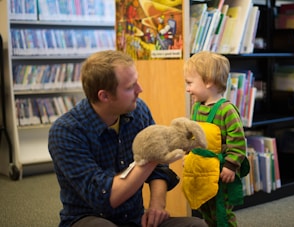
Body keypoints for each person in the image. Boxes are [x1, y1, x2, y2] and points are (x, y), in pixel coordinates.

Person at [48, 50, 208, 227]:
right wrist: (152, 156)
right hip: (88, 218)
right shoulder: (66, 132)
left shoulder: (138, 110)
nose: (140, 89)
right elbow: (105, 198)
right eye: (130, 87)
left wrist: (157, 205)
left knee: (196, 225)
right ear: (105, 96)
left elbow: (160, 167)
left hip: (134, 218)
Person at [182, 51, 249, 227]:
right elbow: (192, 136)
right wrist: (187, 155)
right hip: (202, 171)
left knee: (222, 213)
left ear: (209, 81)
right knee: (205, 209)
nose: (187, 89)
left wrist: (231, 166)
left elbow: (238, 142)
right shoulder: (196, 107)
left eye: (190, 83)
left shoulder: (226, 110)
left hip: (221, 172)